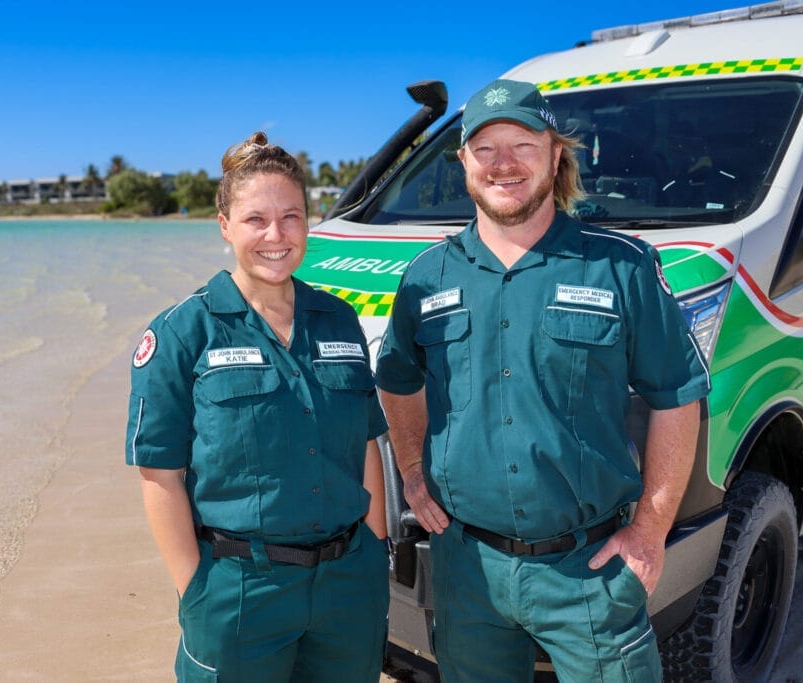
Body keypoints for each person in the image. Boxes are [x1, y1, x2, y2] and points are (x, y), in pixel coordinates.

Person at [375, 80, 711, 682]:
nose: (503, 164)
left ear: (555, 155)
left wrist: (652, 530)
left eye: (523, 144)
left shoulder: (621, 266)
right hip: (466, 572)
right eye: (485, 148)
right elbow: (398, 380)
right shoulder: (427, 276)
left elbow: (679, 395)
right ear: (463, 163)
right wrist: (413, 475)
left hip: (590, 569)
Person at [126, 132, 390, 682]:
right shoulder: (182, 332)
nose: (276, 235)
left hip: (348, 588)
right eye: (256, 220)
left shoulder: (339, 319)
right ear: (224, 225)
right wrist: (195, 590)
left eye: (291, 217)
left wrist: (376, 549)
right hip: (239, 590)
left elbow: (366, 442)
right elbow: (159, 474)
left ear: (309, 223)